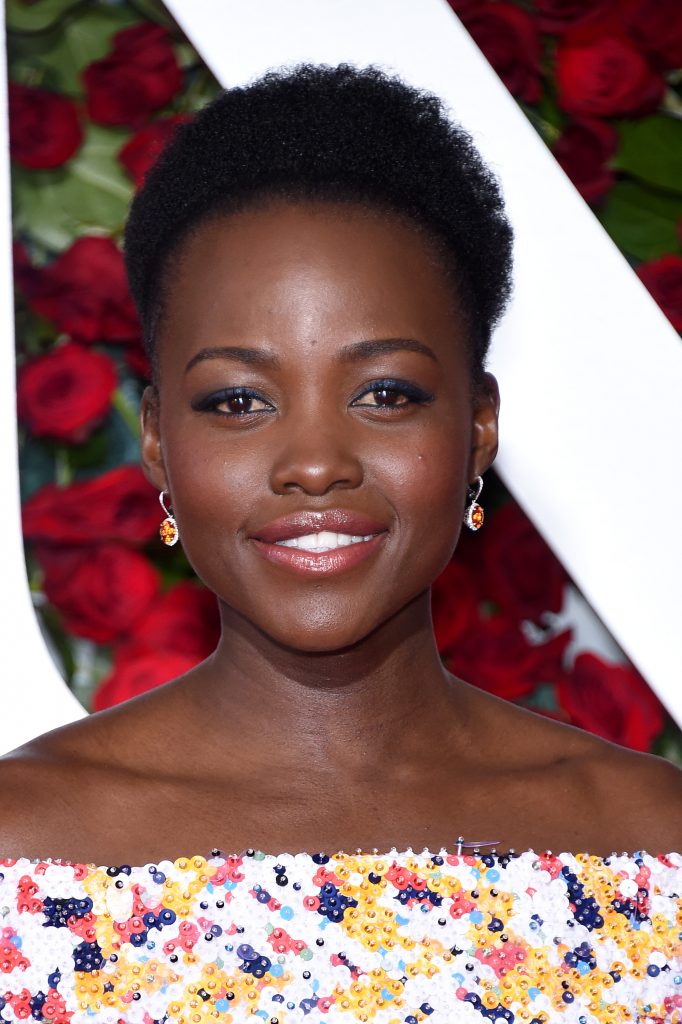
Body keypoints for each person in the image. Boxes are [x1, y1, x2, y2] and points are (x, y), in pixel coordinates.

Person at [1, 65, 680, 1023]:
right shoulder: (19, 852)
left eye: (385, 394)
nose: (314, 463)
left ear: (478, 426)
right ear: (157, 438)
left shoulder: (654, 851)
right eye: (238, 401)